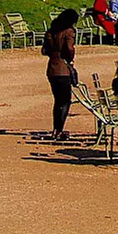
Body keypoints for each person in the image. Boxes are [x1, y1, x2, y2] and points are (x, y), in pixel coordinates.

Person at [43, 8, 79, 141]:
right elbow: (69, 48)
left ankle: (56, 129)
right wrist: (70, 58)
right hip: (63, 69)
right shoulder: (68, 31)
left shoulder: (51, 32)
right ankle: (59, 130)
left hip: (52, 67)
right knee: (65, 102)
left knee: (57, 101)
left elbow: (45, 50)